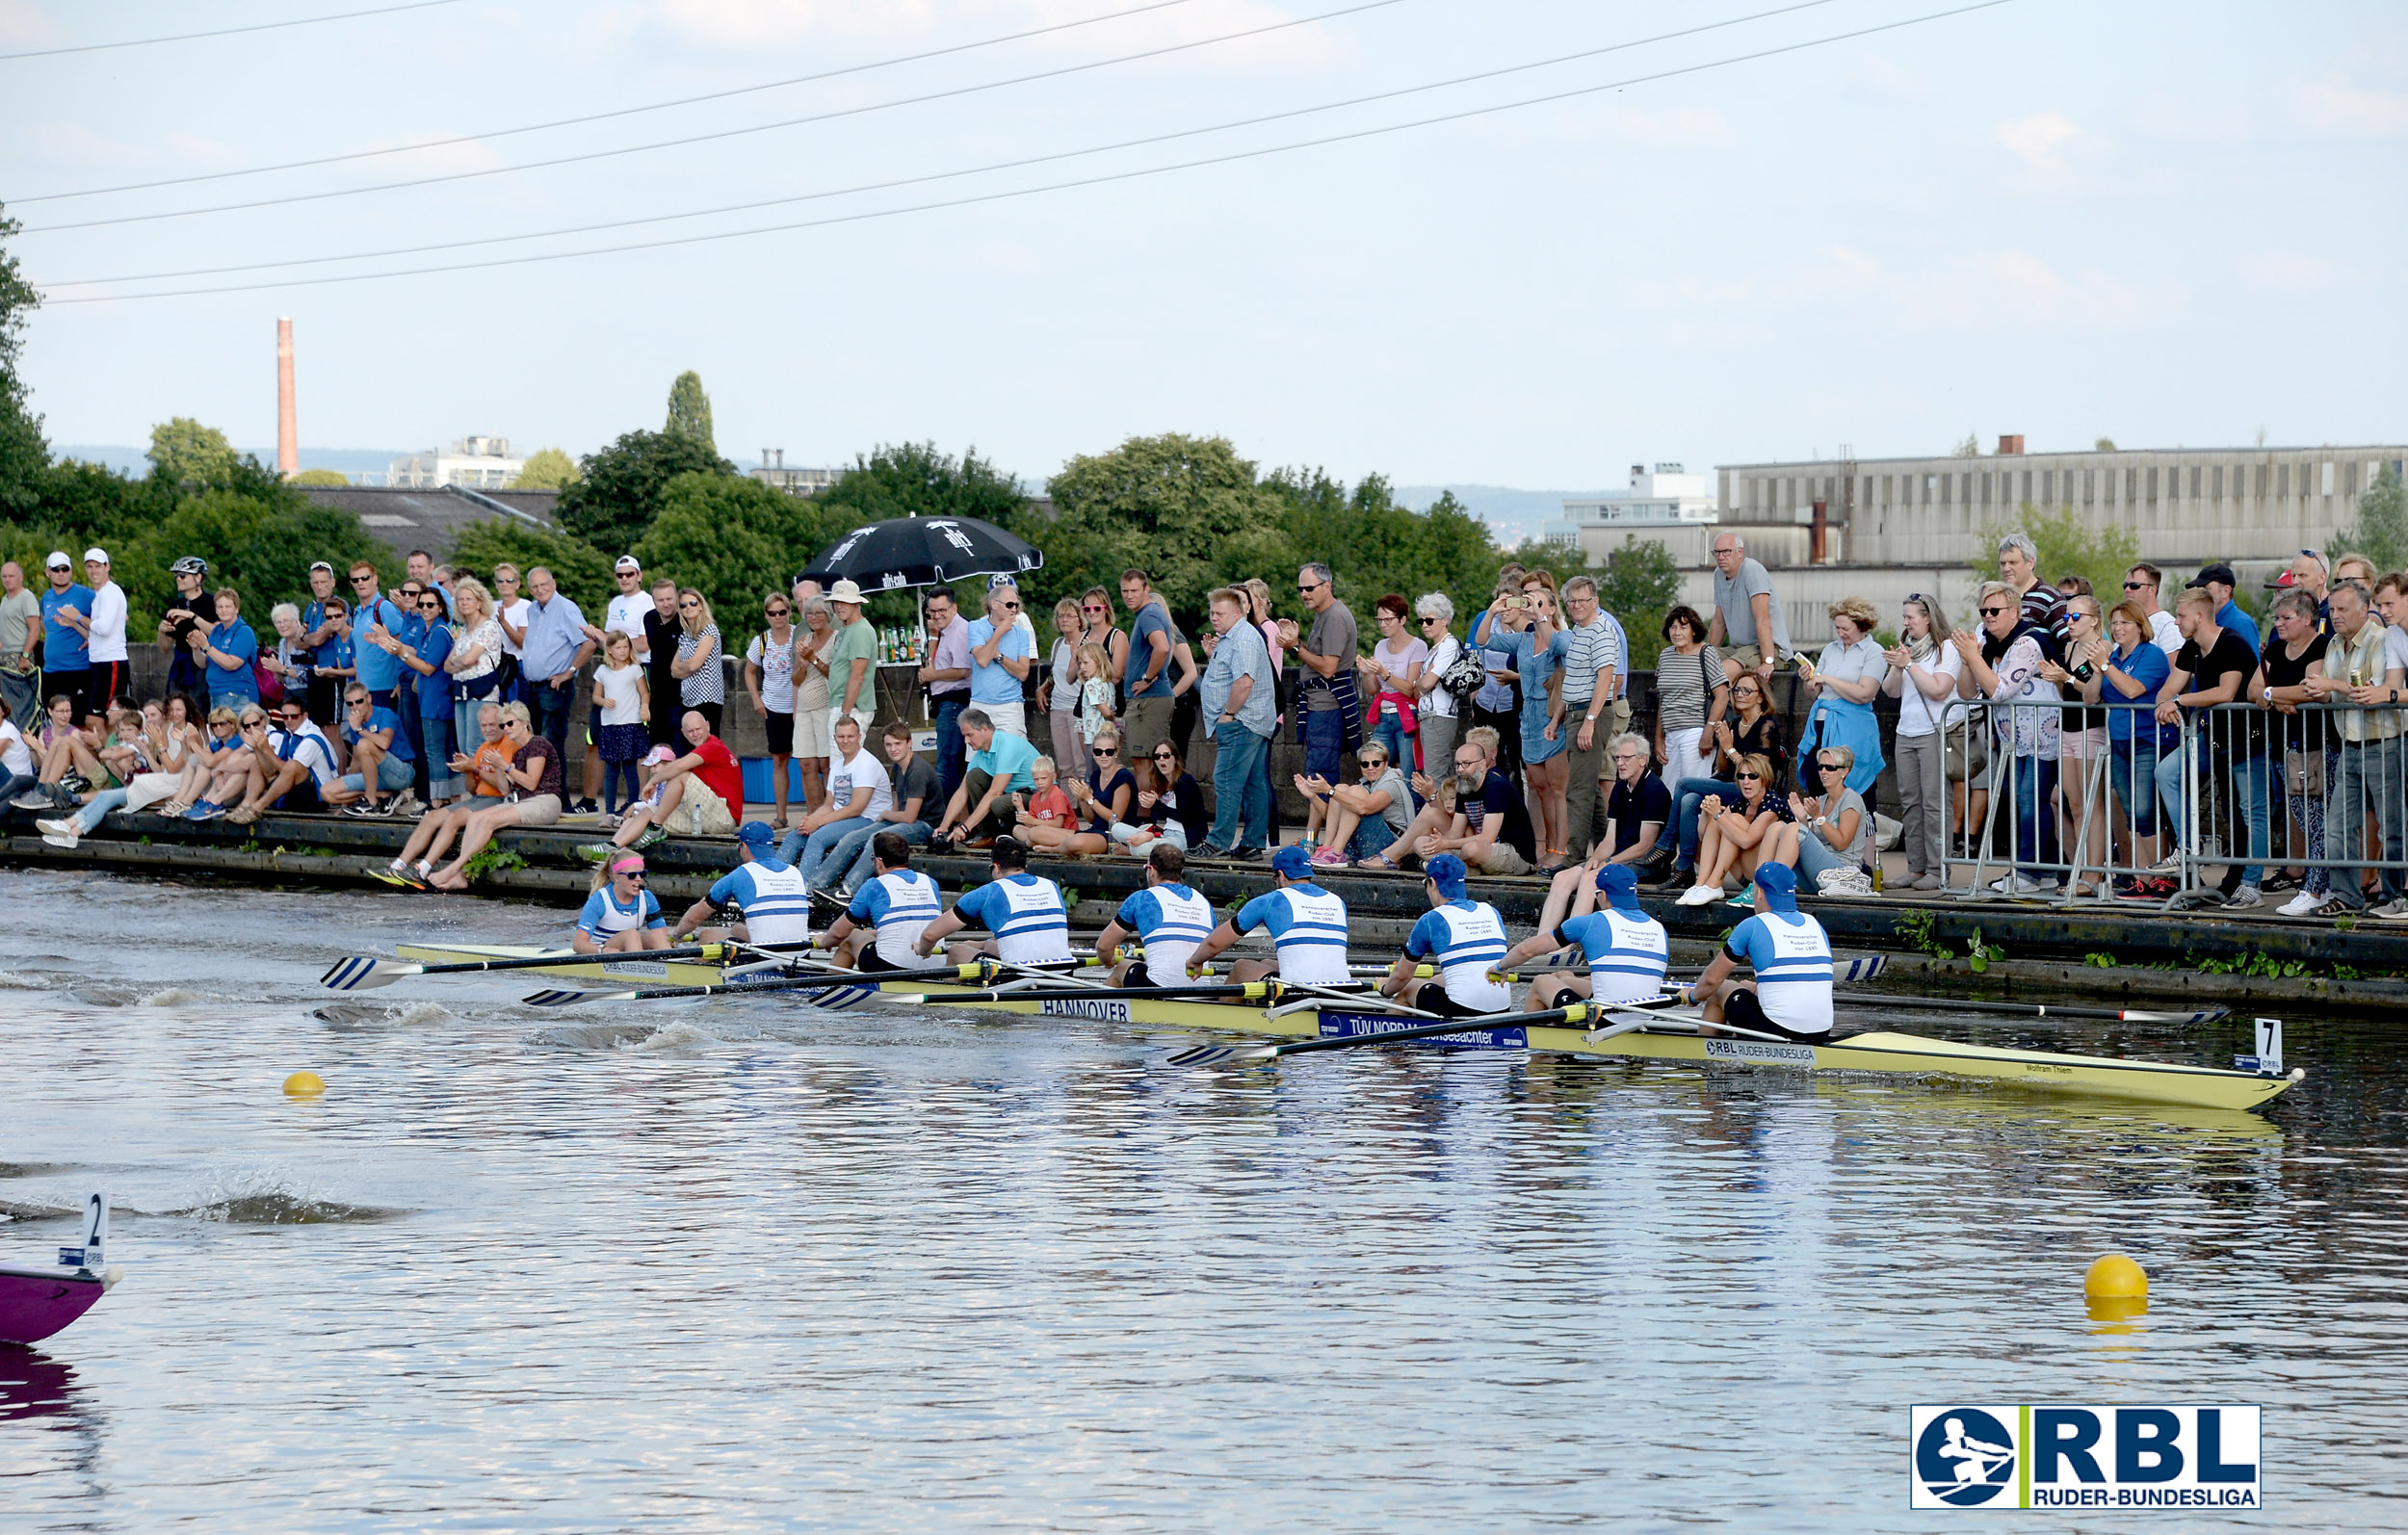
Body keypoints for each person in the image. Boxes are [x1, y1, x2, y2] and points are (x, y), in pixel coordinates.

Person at [2152, 585, 2264, 906]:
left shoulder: (2232, 644)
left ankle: (2252, 883)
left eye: (2181, 615)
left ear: (2199, 617)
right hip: (2212, 737)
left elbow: (2226, 692)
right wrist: (2165, 703)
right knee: (2166, 772)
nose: (2176, 621)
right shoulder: (2191, 648)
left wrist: (2178, 700)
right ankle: (2188, 846)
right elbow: (2170, 686)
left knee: (2249, 811)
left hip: (2245, 738)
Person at [2302, 580, 2404, 920]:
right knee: (2337, 825)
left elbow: (2371, 693)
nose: (2335, 616)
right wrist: (2317, 691)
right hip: (2350, 746)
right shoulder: (2333, 643)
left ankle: (2393, 894)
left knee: (2391, 826)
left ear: (2364, 609)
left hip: (2386, 743)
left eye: (2343, 609)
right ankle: (2347, 895)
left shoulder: (2380, 639)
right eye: (2332, 609)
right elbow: (2334, 695)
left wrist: (2331, 685)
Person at [1956, 579, 2060, 897]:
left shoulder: (2028, 642)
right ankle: (2046, 871)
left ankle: (2029, 872)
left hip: (2043, 738)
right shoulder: (1990, 647)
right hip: (2014, 740)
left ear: (2014, 612)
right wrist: (1967, 660)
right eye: (1983, 610)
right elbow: (1967, 693)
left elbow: (2000, 691)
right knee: (2022, 803)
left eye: (1994, 610)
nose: (1987, 616)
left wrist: (1974, 657)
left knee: (2031, 803)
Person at [1678, 863, 1833, 1042]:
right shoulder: (1815, 924)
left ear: (1759, 893)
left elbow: (1712, 980)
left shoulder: (1753, 925)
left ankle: (1702, 1055)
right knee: (1747, 989)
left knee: (1720, 988)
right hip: (1821, 1033)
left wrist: (1691, 996)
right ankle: (1738, 1045)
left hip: (1777, 1032)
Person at [2252, 588, 2334, 916]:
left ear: (2306, 618)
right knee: (2303, 816)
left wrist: (2273, 693)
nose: (2279, 624)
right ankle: (2318, 884)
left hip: (2317, 744)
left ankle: (2316, 887)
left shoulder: (2321, 645)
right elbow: (2252, 690)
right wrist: (2277, 697)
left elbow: (2309, 687)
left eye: (2286, 618)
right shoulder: (2275, 648)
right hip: (2286, 746)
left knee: (2319, 819)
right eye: (2277, 618)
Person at [424, 703, 565, 890]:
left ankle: (454, 870)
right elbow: (505, 790)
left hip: (545, 801)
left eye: (509, 724)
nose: (505, 729)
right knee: (475, 818)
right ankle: (461, 876)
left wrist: (506, 766)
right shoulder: (519, 752)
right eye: (503, 726)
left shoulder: (538, 744)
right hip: (524, 803)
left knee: (488, 821)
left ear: (524, 723)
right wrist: (498, 765)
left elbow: (531, 783)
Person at [1664, 671, 1785, 887]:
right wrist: (1723, 744)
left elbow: (1759, 771)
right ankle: (1686, 867)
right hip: (1730, 783)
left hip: (1753, 789)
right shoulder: (1735, 723)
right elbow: (1723, 768)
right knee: (1689, 799)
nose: (1739, 694)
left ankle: (1666, 845)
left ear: (1760, 697)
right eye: (1737, 689)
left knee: (1683, 784)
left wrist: (1730, 749)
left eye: (1747, 690)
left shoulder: (1767, 725)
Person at [2092, 600, 2178, 900]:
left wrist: (2106, 666)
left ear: (2140, 626)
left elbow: (2132, 689)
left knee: (2146, 809)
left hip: (2147, 739)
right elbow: (2093, 696)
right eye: (2114, 623)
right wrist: (2096, 668)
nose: (2117, 628)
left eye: (2125, 622)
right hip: (2120, 741)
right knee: (2131, 813)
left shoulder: (2151, 655)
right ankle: (2142, 877)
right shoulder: (2113, 656)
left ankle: (2161, 878)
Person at [1497, 864, 1669, 1013]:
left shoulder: (1591, 922)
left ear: (1603, 894)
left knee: (1541, 981)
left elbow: (1526, 950)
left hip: (1606, 1019)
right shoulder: (1659, 929)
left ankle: (1534, 1044)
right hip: (1644, 1015)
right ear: (1635, 892)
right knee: (1564, 979)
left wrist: (1499, 967)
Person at [374, 703, 514, 885]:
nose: (488, 729)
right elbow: (472, 789)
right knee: (431, 817)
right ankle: (398, 866)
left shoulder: (508, 746)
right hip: (479, 798)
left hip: (498, 799)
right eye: (483, 725)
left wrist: (476, 770)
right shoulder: (483, 748)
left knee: (454, 818)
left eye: (492, 725)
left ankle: (422, 869)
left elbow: (504, 788)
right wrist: (467, 771)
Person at [1881, 593, 1961, 891]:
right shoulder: (1909, 649)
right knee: (1910, 803)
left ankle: (1939, 869)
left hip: (1933, 732)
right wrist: (1899, 666)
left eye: (1911, 617)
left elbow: (1939, 690)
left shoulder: (1947, 648)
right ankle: (1915, 867)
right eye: (1904, 617)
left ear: (1928, 618)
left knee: (1935, 803)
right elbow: (1890, 691)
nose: (1906, 622)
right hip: (1906, 732)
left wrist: (1910, 665)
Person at [2037, 595, 2113, 897]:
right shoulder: (2068, 647)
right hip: (2067, 729)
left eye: (2076, 617)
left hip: (2090, 728)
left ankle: (2094, 874)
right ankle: (2079, 868)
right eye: (2067, 617)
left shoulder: (2102, 648)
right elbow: (2065, 691)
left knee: (2092, 803)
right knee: (2070, 802)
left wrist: (2067, 678)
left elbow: (2096, 693)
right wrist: (2058, 678)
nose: (2069, 623)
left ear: (2093, 620)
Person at [1186, 844, 1348, 985]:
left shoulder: (1272, 900)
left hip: (1299, 994)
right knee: (1267, 963)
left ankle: (1221, 1018)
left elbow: (1214, 944)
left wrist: (1195, 961)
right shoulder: (1337, 902)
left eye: (1274, 878)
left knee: (1240, 966)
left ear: (1281, 875)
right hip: (1342, 989)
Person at [1493, 572, 1570, 867]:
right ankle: (1549, 847)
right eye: (1528, 599)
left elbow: (1561, 657)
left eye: (1539, 600)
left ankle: (1561, 851)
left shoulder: (1563, 635)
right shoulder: (1523, 641)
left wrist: (1540, 619)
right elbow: (1483, 640)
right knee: (1538, 787)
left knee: (1557, 789)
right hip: (1529, 717)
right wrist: (1494, 611)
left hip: (1554, 717)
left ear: (1551, 607)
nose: (1532, 605)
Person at [1382, 734, 1537, 877]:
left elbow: (1487, 838)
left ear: (1482, 765)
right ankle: (1465, 869)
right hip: (1475, 852)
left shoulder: (1495, 786)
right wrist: (1438, 842)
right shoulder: (1464, 786)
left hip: (1513, 854)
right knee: (1420, 843)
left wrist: (1447, 844)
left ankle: (1450, 867)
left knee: (1472, 849)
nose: (1461, 770)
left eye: (1466, 764)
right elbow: (1455, 832)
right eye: (1458, 765)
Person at [1378, 853, 1512, 1018]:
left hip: (1461, 1009)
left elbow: (1402, 976)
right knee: (1437, 980)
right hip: (1502, 1010)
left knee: (1407, 988)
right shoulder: (1491, 911)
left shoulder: (1432, 919)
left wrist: (1384, 990)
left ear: (1432, 883)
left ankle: (1388, 1041)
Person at [1196, 586, 1276, 859]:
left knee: (1226, 778)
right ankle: (1252, 843)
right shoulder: (1233, 636)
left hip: (1242, 720)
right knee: (1254, 783)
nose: (1214, 618)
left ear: (1237, 612)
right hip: (1250, 720)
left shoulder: (1243, 638)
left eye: (1219, 613)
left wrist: (1228, 713)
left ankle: (1218, 842)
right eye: (1212, 612)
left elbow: (1244, 682)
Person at [1548, 575, 1623, 862]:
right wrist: (1556, 719)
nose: (1577, 606)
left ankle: (1574, 856)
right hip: (1575, 712)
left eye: (1583, 600)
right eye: (1572, 601)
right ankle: (1607, 849)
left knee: (1578, 790)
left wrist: (1590, 721)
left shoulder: (1602, 631)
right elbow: (1573, 682)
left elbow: (1606, 678)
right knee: (1587, 788)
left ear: (1596, 602)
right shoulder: (1579, 631)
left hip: (1591, 714)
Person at [819, 723, 942, 898]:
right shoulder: (899, 766)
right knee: (851, 838)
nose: (893, 749)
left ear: (909, 743)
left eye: (898, 744)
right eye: (888, 745)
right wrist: (889, 817)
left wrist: (885, 815)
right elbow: (899, 801)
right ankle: (816, 886)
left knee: (877, 840)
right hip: (906, 821)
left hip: (924, 825)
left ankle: (848, 890)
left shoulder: (918, 770)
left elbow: (909, 817)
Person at [575, 556, 656, 814]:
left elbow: (644, 644)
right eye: (620, 575)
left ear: (639, 575)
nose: (624, 579)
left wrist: (608, 638)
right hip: (613, 674)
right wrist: (597, 637)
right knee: (601, 740)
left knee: (636, 746)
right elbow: (610, 645)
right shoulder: (615, 604)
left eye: (629, 574)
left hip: (638, 670)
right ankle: (604, 805)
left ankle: (637, 802)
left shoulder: (647, 603)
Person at [913, 836, 1071, 968]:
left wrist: (923, 949)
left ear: (996, 867)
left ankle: (950, 1001)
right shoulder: (1051, 886)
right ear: (1025, 866)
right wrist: (981, 945)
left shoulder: (989, 892)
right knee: (990, 946)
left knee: (956, 951)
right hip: (1065, 972)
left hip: (1024, 978)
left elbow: (929, 935)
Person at [599, 710, 744, 851]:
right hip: (704, 817)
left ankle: (655, 827)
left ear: (708, 726)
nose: (695, 734)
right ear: (683, 732)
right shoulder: (701, 751)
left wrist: (652, 782)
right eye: (690, 731)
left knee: (679, 774)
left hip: (723, 817)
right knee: (645, 814)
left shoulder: (713, 746)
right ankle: (613, 848)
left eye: (698, 729)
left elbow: (679, 766)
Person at [779, 715, 893, 887]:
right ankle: (773, 883)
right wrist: (809, 821)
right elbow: (829, 805)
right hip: (845, 818)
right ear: (835, 738)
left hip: (868, 819)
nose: (845, 741)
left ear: (859, 738)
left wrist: (817, 824)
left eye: (850, 736)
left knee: (817, 838)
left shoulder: (866, 763)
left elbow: (855, 808)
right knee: (794, 836)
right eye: (841, 737)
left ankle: (804, 889)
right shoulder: (838, 765)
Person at [1794, 597, 1887, 799]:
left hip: (1852, 726)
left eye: (1846, 628)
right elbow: (1814, 694)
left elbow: (1865, 693)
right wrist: (1808, 680)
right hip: (1820, 722)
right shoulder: (1830, 649)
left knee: (1852, 786)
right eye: (1838, 628)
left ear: (1861, 625)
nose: (1841, 633)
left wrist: (1828, 679)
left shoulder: (1874, 652)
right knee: (1816, 780)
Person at [668, 821, 815, 947]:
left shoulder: (740, 874)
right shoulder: (794, 872)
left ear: (744, 846)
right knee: (737, 929)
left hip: (766, 958)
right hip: (800, 953)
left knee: (707, 935)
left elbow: (694, 917)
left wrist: (675, 935)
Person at [1674, 752, 1792, 906]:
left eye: (1753, 776)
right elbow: (1705, 833)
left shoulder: (1773, 804)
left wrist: (1718, 815)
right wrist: (1707, 811)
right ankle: (1701, 883)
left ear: (1764, 778)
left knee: (1731, 820)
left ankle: (1714, 883)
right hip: (1742, 872)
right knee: (1723, 821)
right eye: (1742, 777)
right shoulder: (1742, 802)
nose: (1746, 781)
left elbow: (1746, 841)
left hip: (1763, 873)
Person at [818, 832, 946, 971]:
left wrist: (824, 942)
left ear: (878, 861)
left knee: (851, 936)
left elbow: (838, 933)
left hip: (889, 967)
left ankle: (831, 988)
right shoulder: (930, 882)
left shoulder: (874, 886)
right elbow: (908, 926)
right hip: (934, 966)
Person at [1092, 844, 1216, 986]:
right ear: (1181, 872)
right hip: (1201, 990)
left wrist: (1108, 961)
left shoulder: (1142, 898)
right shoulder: (1203, 902)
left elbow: (1103, 947)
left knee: (1123, 966)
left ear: (1151, 870)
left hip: (1159, 988)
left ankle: (1098, 1006)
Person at [1286, 562, 1358, 791]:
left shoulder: (1334, 617)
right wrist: (1295, 643)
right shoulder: (1324, 614)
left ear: (1326, 586)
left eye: (1309, 588)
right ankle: (1315, 828)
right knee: (1315, 776)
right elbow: (1319, 656)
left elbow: (1328, 667)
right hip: (1319, 704)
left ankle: (1319, 828)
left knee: (1319, 778)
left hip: (1326, 706)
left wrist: (1296, 648)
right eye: (1301, 590)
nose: (1304, 594)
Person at [385, 585, 458, 805]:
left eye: (430, 605)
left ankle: (436, 802)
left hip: (436, 700)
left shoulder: (439, 632)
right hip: (429, 698)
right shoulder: (428, 631)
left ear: (440, 608)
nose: (425, 608)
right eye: (422, 604)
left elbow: (428, 668)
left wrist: (401, 653)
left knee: (434, 752)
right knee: (443, 750)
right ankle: (451, 800)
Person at [929, 707, 1039, 848]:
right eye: (964, 736)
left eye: (970, 735)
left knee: (999, 803)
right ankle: (988, 835)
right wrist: (944, 827)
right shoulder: (981, 754)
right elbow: (962, 792)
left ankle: (1012, 833)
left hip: (1036, 797)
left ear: (985, 729)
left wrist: (965, 827)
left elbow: (995, 792)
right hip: (1015, 794)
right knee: (974, 776)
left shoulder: (1008, 745)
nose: (966, 741)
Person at [1019, 727, 1134, 857]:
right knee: (1035, 832)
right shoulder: (1096, 775)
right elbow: (1091, 818)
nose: (1103, 756)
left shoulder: (1122, 776)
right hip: (1094, 832)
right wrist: (1082, 799)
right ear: (1093, 753)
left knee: (1077, 843)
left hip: (1113, 836)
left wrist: (1089, 799)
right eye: (1098, 751)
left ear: (1116, 752)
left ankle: (1053, 849)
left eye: (1109, 752)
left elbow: (1115, 819)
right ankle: (1048, 844)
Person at [225, 695, 342, 823]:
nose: (289, 720)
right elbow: (270, 771)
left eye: (294, 716)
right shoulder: (290, 734)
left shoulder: (311, 738)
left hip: (319, 797)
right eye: (285, 717)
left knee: (293, 765)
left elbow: (288, 770)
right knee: (257, 763)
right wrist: (257, 748)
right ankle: (247, 805)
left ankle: (257, 807)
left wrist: (266, 750)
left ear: (305, 716)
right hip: (299, 789)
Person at [1298, 740, 1410, 868]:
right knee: (1340, 788)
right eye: (1365, 764)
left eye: (1375, 763)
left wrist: (1328, 790)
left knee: (1352, 792)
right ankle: (1328, 848)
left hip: (1391, 847)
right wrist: (1313, 796)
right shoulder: (1366, 784)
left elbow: (1365, 808)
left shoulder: (1392, 783)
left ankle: (1336, 852)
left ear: (1385, 764)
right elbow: (1332, 817)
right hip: (1365, 846)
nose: (1370, 768)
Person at [518, 567, 593, 753]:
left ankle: (556, 784)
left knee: (550, 747)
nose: (540, 589)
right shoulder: (532, 610)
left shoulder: (566, 608)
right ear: (529, 590)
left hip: (553, 688)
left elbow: (589, 643)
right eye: (535, 586)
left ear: (553, 584)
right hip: (532, 687)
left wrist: (569, 672)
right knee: (533, 746)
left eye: (544, 584)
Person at [1654, 605, 1726, 793]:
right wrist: (1659, 737)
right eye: (1673, 627)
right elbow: (1664, 698)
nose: (1677, 632)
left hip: (1695, 730)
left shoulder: (1706, 652)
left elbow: (1722, 696)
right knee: (1668, 791)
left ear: (1694, 630)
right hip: (1671, 732)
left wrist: (1708, 733)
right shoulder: (1666, 656)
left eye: (1683, 627)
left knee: (1693, 790)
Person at [1706, 532, 1790, 685]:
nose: (1721, 557)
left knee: (1719, 674)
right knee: (1697, 665)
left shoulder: (1752, 570)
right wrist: (1708, 654)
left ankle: (1723, 707)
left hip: (1766, 649)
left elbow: (1763, 619)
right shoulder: (1718, 575)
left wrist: (1768, 661)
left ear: (1740, 552)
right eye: (1717, 552)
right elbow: (1719, 622)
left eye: (1726, 551)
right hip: (1738, 649)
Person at [1790, 745, 1874, 895]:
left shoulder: (1851, 799)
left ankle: (1768, 887)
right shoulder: (1821, 800)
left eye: (1830, 768)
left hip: (1841, 873)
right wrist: (1803, 819)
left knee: (1792, 831)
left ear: (1844, 771)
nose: (1823, 772)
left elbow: (1841, 843)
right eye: (1821, 767)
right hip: (1820, 874)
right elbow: (1814, 843)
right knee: (1779, 828)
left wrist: (1818, 817)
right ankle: (1760, 884)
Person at [1357, 593, 1427, 774]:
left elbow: (1410, 689)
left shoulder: (1417, 646)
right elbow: (1372, 689)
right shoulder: (1380, 645)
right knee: (1375, 767)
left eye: (1388, 620)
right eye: (1379, 620)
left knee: (1408, 772)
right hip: (1384, 714)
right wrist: (1367, 673)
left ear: (1402, 620)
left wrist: (1383, 673)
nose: (1383, 625)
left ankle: (1412, 802)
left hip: (1406, 715)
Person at [1117, 569, 1177, 770]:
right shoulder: (1149, 613)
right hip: (1151, 699)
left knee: (1146, 764)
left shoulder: (1147, 615)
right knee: (1153, 763)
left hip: (1148, 700)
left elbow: (1162, 647)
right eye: (1125, 591)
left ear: (1147, 590)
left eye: (1134, 590)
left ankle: (1148, 803)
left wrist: (1147, 678)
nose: (1129, 596)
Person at [919, 586, 972, 803]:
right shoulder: (947, 630)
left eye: (942, 610)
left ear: (954, 608)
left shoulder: (959, 631)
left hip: (954, 703)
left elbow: (963, 671)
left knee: (947, 764)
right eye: (933, 612)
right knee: (954, 764)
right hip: (948, 703)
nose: (937, 615)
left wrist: (932, 675)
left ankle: (947, 818)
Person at [1111, 740, 1209, 854]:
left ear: (1175, 759)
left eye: (1166, 756)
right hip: (1165, 834)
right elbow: (1164, 815)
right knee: (1116, 828)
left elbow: (1185, 816)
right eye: (1157, 756)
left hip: (1184, 838)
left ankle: (1137, 845)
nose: (1161, 759)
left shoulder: (1185, 781)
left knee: (1140, 849)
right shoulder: (1162, 783)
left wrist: (1156, 805)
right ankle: (1147, 837)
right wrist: (1150, 804)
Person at [965, 582, 1034, 738]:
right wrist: (999, 632)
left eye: (1016, 605)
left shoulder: (1021, 634)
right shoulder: (975, 627)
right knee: (979, 759)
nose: (1014, 610)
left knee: (1010, 757)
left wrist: (998, 656)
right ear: (994, 604)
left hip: (1010, 706)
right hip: (980, 703)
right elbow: (982, 660)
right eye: (1010, 605)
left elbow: (1023, 673)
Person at [592, 632, 649, 817]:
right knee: (612, 769)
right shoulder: (602, 671)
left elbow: (644, 693)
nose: (623, 651)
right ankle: (609, 810)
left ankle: (632, 805)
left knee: (631, 767)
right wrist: (603, 702)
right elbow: (596, 696)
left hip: (631, 723)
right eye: (618, 648)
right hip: (610, 724)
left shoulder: (635, 669)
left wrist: (645, 707)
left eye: (626, 647)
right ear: (609, 650)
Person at [1408, 592, 1464, 783]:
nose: (1424, 625)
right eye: (1421, 621)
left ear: (1445, 620)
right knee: (1438, 774)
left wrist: (1421, 681)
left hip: (1439, 716)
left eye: (1429, 620)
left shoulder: (1449, 645)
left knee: (1435, 777)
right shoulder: (1435, 648)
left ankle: (1438, 812)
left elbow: (1426, 683)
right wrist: (1422, 682)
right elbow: (1420, 687)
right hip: (1429, 717)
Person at [791, 594, 836, 815]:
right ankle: (813, 813)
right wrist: (801, 664)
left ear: (827, 615)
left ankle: (830, 813)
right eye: (810, 613)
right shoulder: (805, 641)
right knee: (806, 765)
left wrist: (814, 659)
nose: (814, 617)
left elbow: (834, 675)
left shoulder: (836, 639)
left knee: (826, 764)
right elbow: (796, 680)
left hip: (824, 706)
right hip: (804, 708)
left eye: (819, 613)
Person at [572, 856, 672, 953]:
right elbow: (578, 944)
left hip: (631, 946)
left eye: (642, 874)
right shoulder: (599, 900)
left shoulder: (647, 897)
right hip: (602, 950)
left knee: (658, 935)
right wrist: (603, 950)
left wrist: (670, 940)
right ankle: (636, 964)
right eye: (632, 875)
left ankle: (674, 964)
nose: (638, 879)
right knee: (631, 935)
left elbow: (662, 932)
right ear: (616, 877)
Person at [36, 552, 93, 719]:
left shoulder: (86, 595)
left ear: (71, 571)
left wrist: (90, 637)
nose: (61, 573)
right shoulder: (46, 597)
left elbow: (105, 623)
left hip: (77, 669)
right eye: (56, 569)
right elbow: (44, 625)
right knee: (53, 721)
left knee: (78, 720)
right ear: (48, 572)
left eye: (65, 569)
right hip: (51, 670)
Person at [1997, 533, 2069, 660]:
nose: (2006, 568)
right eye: (2003, 563)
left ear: (2030, 563)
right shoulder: (1999, 599)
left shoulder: (2049, 597)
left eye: (2013, 562)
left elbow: (2068, 642)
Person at [1040, 596, 1089, 780]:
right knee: (1064, 764)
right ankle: (1068, 806)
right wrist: (1043, 687)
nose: (1065, 620)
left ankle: (1083, 805)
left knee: (1081, 762)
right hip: (1058, 707)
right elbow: (1055, 673)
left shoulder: (1087, 642)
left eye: (1070, 616)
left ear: (1079, 619)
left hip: (1078, 708)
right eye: (1061, 616)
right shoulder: (1058, 644)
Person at [77, 550, 127, 721]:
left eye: (98, 566)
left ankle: (113, 748)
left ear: (107, 567)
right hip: (99, 662)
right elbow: (100, 631)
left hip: (110, 662)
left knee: (99, 719)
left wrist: (77, 617)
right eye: (89, 566)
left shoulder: (110, 592)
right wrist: (71, 623)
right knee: (98, 720)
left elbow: (104, 628)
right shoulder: (100, 595)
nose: (93, 571)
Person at [825, 580, 878, 741]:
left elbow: (857, 676)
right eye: (836, 601)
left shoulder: (860, 631)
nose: (839, 606)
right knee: (841, 764)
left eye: (845, 602)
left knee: (844, 763)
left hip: (853, 707)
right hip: (844, 705)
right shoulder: (846, 628)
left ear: (856, 603)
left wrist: (845, 714)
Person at [668, 587, 725, 736]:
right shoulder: (685, 635)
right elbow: (674, 670)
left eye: (693, 603)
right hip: (688, 699)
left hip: (707, 698)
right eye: (683, 605)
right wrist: (688, 666)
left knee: (709, 743)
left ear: (701, 606)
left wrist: (685, 666)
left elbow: (695, 664)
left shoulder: (709, 630)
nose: (688, 607)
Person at [639, 576, 682, 752]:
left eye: (669, 599)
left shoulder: (684, 621)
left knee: (679, 747)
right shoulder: (649, 619)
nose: (666, 604)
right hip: (656, 694)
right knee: (657, 748)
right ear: (654, 601)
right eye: (661, 600)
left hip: (680, 695)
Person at [0, 560, 40, 732]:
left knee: (20, 707)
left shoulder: (27, 597)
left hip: (19, 657)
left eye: (11, 576)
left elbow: (35, 628)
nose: (7, 580)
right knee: (7, 705)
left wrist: (25, 655)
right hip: (5, 657)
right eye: (4, 576)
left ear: (21, 577)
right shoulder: (5, 599)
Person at [2185, 562, 2260, 653]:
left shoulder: (2241, 624)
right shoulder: (2206, 621)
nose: (2199, 595)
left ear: (2226, 591)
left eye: (2206, 589)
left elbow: (2251, 665)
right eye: (2198, 590)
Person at [491, 563, 533, 705]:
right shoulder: (492, 606)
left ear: (517, 584)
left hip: (517, 667)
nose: (504, 584)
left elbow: (522, 643)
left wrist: (503, 623)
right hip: (495, 666)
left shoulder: (525, 607)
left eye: (509, 581)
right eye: (500, 581)